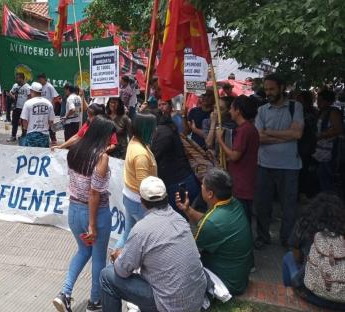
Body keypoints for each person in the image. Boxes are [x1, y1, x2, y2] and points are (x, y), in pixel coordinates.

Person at [101, 176, 207, 312]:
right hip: (195, 300)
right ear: (166, 197)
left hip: (170, 305)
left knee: (107, 275)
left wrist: (118, 258)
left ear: (142, 201)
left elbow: (122, 271)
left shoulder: (141, 230)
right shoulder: (180, 220)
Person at [53, 116, 115, 312]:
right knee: (98, 258)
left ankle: (65, 293)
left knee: (83, 251)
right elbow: (94, 193)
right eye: (110, 135)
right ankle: (95, 301)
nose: (111, 139)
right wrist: (92, 224)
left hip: (74, 211)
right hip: (95, 214)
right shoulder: (101, 157)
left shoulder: (76, 150)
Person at [176, 168, 254, 295]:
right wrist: (188, 209)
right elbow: (209, 222)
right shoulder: (235, 203)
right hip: (240, 277)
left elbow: (190, 250)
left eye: (202, 185)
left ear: (210, 194)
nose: (201, 186)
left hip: (228, 283)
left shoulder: (212, 222)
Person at [254, 74, 304, 249]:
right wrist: (286, 137)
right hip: (264, 166)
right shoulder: (262, 110)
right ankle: (262, 237)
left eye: (272, 89)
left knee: (289, 207)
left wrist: (270, 132)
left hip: (289, 167)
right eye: (266, 89)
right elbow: (258, 137)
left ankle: (287, 240)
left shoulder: (295, 107)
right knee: (262, 206)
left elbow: (297, 134)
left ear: (282, 88)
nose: (268, 92)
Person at [282, 192, 345, 310]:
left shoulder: (304, 224)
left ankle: (289, 291)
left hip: (310, 294)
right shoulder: (342, 230)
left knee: (288, 257)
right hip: (341, 301)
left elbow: (296, 257)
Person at [113, 113, 158, 251]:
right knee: (148, 239)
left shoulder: (135, 141)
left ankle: (114, 266)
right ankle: (118, 266)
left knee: (127, 234)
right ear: (146, 128)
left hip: (130, 197)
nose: (155, 130)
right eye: (153, 127)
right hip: (139, 203)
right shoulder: (140, 154)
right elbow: (143, 187)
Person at [216, 95, 259, 222]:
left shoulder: (244, 130)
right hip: (245, 180)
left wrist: (220, 140)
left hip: (242, 183)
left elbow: (235, 156)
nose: (229, 111)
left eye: (231, 108)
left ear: (238, 110)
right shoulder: (247, 128)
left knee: (242, 220)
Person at [151, 114, 200, 214]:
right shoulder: (167, 128)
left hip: (178, 184)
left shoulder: (162, 133)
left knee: (179, 219)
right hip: (184, 180)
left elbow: (153, 156)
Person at [312, 89, 343, 192]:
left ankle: (330, 200)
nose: (318, 102)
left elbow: (338, 129)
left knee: (327, 176)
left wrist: (321, 135)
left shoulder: (333, 112)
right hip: (321, 150)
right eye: (317, 100)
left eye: (321, 100)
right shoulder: (321, 112)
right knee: (322, 175)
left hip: (330, 151)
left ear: (328, 101)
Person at [295, 90, 319, 198]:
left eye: (299, 99)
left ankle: (302, 192)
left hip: (305, 145)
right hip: (304, 145)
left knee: (303, 170)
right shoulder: (313, 111)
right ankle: (301, 192)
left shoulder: (308, 112)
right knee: (302, 170)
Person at [20, 82, 55, 148]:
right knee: (43, 156)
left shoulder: (28, 103)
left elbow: (24, 120)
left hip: (31, 134)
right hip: (44, 135)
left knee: (30, 155)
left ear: (32, 91)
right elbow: (51, 121)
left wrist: (26, 130)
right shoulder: (48, 103)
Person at [7, 73, 30, 142]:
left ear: (22, 78)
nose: (16, 79)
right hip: (16, 107)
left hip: (24, 108)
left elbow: (29, 97)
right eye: (16, 78)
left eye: (17, 78)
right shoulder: (15, 85)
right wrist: (14, 97)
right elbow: (10, 92)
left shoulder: (27, 87)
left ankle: (24, 136)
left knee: (23, 123)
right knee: (14, 122)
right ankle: (13, 136)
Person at [37, 73, 60, 144]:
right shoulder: (40, 87)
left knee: (51, 125)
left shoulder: (49, 86)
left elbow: (56, 97)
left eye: (41, 79)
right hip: (42, 109)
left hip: (49, 109)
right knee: (43, 124)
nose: (40, 81)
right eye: (39, 80)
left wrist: (52, 106)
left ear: (44, 79)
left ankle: (54, 139)